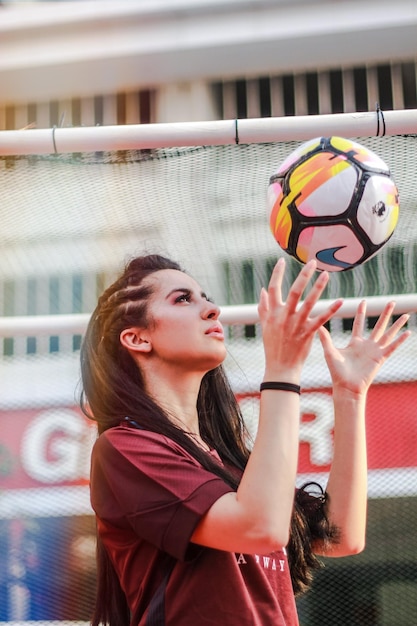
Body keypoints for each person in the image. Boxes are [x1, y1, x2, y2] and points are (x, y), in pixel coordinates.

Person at [80, 253, 410, 626]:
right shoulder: (125, 448)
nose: (211, 310)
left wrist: (350, 394)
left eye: (206, 298)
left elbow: (340, 537)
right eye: (183, 299)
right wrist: (283, 370)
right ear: (137, 338)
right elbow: (260, 527)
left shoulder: (228, 464)